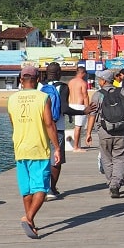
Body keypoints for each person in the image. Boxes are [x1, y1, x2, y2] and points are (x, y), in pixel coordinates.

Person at [7, 65, 59, 239]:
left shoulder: (12, 99)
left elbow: (13, 123)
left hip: (20, 148)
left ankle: (32, 223)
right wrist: (57, 147)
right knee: (42, 189)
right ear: (37, 80)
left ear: (21, 80)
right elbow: (49, 124)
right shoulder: (43, 97)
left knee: (27, 190)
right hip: (38, 148)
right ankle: (28, 217)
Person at [84, 69, 124, 198]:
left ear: (104, 81)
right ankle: (116, 183)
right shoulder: (123, 91)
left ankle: (111, 182)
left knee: (107, 157)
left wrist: (88, 132)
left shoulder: (97, 95)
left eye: (100, 79)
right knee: (121, 157)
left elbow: (92, 115)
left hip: (104, 131)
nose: (99, 81)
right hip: (123, 130)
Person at [41, 62, 88, 200]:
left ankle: (41, 188)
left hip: (41, 128)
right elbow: (64, 109)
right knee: (57, 160)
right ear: (59, 73)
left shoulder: (39, 86)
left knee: (43, 159)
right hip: (58, 128)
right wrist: (82, 111)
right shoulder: (63, 86)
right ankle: (52, 188)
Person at [67, 65, 90, 150]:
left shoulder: (70, 82)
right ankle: (76, 147)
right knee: (78, 126)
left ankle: (75, 145)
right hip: (79, 106)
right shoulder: (82, 83)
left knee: (73, 126)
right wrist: (88, 108)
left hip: (71, 104)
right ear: (82, 73)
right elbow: (85, 96)